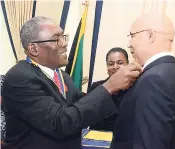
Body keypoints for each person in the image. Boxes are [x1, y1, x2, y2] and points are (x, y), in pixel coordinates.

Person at [1, 16, 142, 149]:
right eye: (57, 39)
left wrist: (120, 90)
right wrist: (109, 86)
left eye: (63, 37)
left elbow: (79, 106)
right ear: (34, 49)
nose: (65, 43)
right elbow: (60, 123)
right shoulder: (19, 78)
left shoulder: (62, 76)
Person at [110, 13, 175, 149]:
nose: (129, 43)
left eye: (132, 36)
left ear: (150, 35)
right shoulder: (174, 73)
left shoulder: (154, 80)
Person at [88, 47, 129, 131]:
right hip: (99, 138)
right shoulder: (97, 87)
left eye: (120, 63)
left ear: (127, 65)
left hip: (125, 138)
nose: (115, 67)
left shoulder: (135, 87)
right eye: (111, 64)